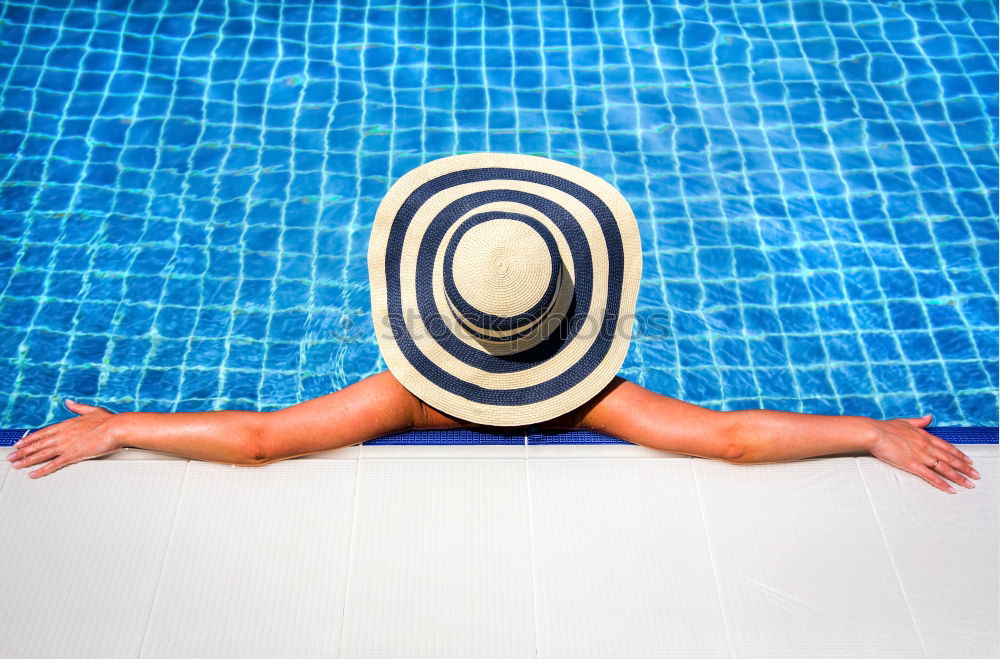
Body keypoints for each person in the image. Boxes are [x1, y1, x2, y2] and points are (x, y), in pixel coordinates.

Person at [7, 154, 979, 494]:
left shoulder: (401, 396)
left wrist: (122, 426)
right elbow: (728, 437)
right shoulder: (594, 398)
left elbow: (262, 440)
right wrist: (868, 430)